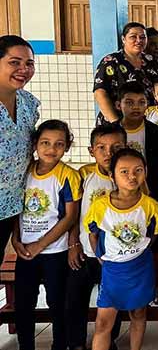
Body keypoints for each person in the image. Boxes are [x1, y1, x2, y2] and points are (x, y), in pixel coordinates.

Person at [85, 147, 158, 350]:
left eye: (138, 170)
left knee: (138, 314)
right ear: (112, 175)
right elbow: (92, 235)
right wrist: (101, 257)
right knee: (103, 322)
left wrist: (136, 252)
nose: (132, 176)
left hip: (140, 268)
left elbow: (153, 235)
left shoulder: (151, 206)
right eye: (124, 171)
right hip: (112, 271)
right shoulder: (100, 206)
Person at [13, 120, 81, 350]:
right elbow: (16, 208)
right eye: (45, 143)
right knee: (23, 303)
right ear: (35, 144)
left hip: (55, 252)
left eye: (59, 144)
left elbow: (70, 217)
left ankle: (59, 345)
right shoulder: (24, 171)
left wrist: (40, 244)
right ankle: (25, 345)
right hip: (25, 251)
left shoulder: (68, 176)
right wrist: (16, 239)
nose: (51, 149)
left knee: (57, 303)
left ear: (67, 146)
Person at [66, 123, 127, 350]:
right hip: (83, 252)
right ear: (91, 151)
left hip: (114, 257)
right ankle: (76, 343)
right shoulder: (84, 175)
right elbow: (73, 214)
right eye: (101, 147)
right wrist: (73, 243)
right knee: (75, 300)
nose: (108, 153)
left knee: (113, 301)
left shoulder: (128, 176)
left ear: (126, 147)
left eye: (116, 147)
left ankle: (108, 341)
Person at [0, 36, 40, 252]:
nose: (23, 69)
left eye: (29, 63)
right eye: (14, 62)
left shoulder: (28, 104)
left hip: (10, 207)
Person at [93, 22, 158, 124]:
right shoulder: (111, 61)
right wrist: (116, 123)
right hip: (117, 122)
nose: (138, 41)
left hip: (146, 123)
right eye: (133, 37)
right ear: (123, 39)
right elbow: (100, 93)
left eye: (142, 37)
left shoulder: (152, 62)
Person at [116, 82, 158, 202]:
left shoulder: (154, 131)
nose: (136, 107)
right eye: (129, 103)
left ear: (147, 105)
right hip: (119, 191)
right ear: (118, 105)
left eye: (141, 102)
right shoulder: (113, 131)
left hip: (148, 191)